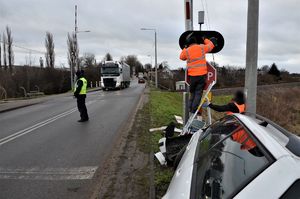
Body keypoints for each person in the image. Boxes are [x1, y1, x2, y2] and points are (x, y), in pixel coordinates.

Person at [180, 34, 215, 118]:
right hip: (201, 75)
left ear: (189, 43)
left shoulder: (187, 50)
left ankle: (190, 108)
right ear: (195, 42)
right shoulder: (202, 47)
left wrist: (185, 47)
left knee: (192, 93)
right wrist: (205, 39)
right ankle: (194, 110)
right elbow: (211, 46)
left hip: (192, 76)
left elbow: (181, 57)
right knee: (198, 93)